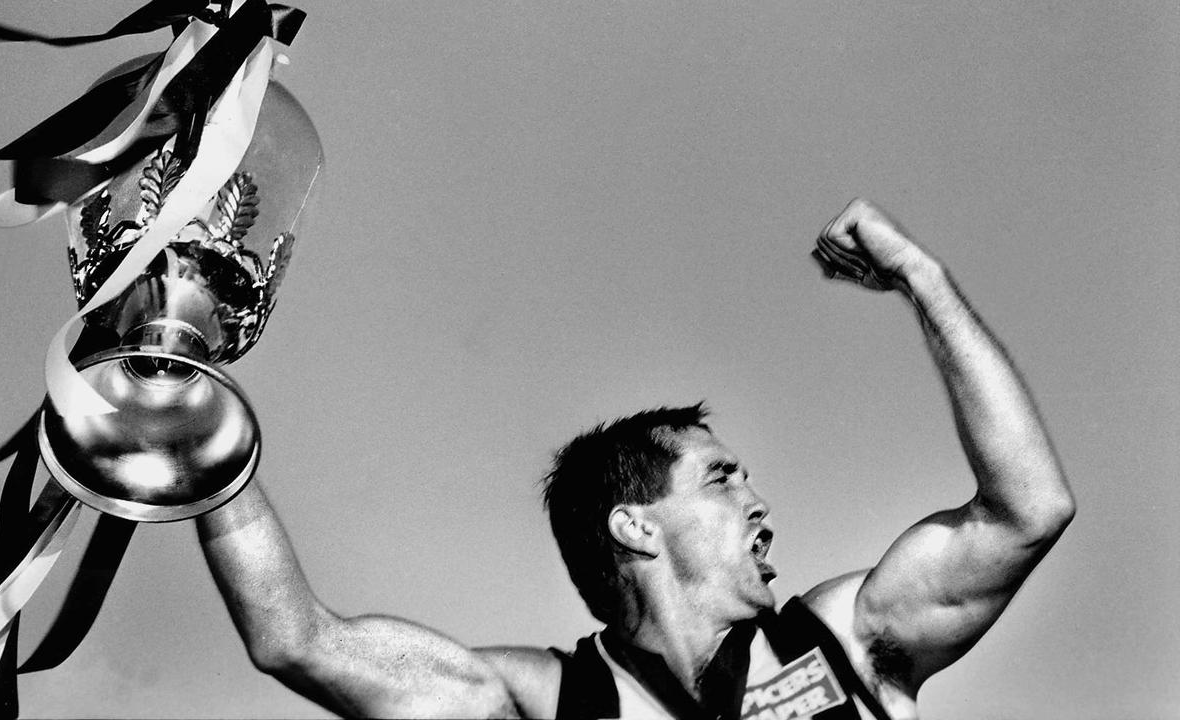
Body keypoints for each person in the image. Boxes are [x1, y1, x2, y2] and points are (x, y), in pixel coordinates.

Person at [195, 199, 1075, 719]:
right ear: (634, 524)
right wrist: (189, 421)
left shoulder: (849, 640)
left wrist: (921, 277)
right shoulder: (550, 703)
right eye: (723, 477)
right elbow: (295, 640)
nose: (761, 503)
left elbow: (1027, 510)